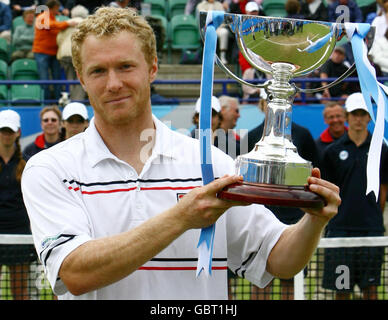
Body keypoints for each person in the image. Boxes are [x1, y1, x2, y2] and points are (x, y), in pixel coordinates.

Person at [21, 7, 340, 300]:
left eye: (125, 66)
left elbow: (277, 259)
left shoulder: (211, 163)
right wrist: (181, 217)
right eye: (98, 71)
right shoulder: (50, 168)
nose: (114, 83)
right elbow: (76, 273)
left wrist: (312, 222)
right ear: (81, 79)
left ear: (153, 69)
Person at [241, 98, 319, 300]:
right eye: (267, 100)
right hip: (260, 216)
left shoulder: (302, 134)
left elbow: (314, 174)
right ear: (261, 105)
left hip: (293, 216)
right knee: (258, 280)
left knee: (290, 281)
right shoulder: (251, 136)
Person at [321, 92, 388, 300]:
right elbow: (328, 191)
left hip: (371, 230)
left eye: (363, 114)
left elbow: (384, 188)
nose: (358, 118)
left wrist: (374, 214)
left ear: (369, 117)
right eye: (354, 114)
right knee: (342, 290)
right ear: (347, 116)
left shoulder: (382, 150)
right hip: (340, 231)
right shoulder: (332, 151)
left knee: (370, 290)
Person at [0, 109, 37, 300]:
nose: (6, 135)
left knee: (20, 292)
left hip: (20, 235)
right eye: (3, 130)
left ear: (18, 133)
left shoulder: (27, 165)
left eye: (10, 130)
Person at [32, 0, 79, 101]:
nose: (58, 11)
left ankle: (57, 100)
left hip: (53, 52)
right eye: (57, 9)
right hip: (41, 52)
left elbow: (55, 26)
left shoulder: (53, 18)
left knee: (57, 78)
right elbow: (52, 25)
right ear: (52, 8)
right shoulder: (42, 17)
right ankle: (46, 102)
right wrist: (68, 23)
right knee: (44, 79)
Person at [56, 5, 88, 101]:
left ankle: (73, 99)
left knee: (70, 78)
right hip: (79, 54)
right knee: (81, 78)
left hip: (65, 55)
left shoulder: (67, 24)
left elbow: (59, 39)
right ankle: (78, 100)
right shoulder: (87, 24)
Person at [196, 0, 229, 64]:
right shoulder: (200, 5)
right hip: (207, 28)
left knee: (224, 32)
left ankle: (223, 56)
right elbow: (202, 19)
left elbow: (223, 18)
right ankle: (211, 57)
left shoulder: (219, 5)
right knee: (210, 33)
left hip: (219, 27)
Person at [315, 101, 347, 166]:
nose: (335, 120)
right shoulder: (317, 145)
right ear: (325, 120)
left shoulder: (355, 140)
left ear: (345, 117)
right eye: (331, 117)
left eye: (338, 116)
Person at [215, 95, 242, 159]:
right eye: (236, 111)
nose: (239, 115)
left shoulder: (236, 138)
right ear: (223, 110)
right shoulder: (206, 138)